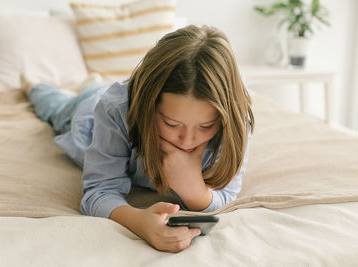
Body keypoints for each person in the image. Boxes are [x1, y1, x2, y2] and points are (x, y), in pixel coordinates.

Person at [24, 25, 254, 253]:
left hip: (117, 93)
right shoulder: (115, 110)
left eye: (206, 126)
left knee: (96, 88)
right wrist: (139, 222)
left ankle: (93, 82)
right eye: (172, 124)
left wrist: (193, 190)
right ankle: (34, 84)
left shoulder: (234, 119)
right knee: (54, 106)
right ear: (149, 106)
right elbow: (98, 191)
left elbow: (226, 195)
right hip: (86, 114)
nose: (187, 140)